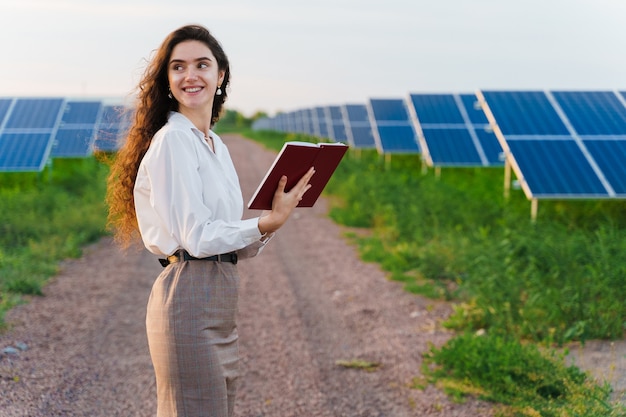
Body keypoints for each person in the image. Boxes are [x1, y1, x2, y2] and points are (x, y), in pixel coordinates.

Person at [106, 24, 315, 417]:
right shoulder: (173, 140)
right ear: (167, 80)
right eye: (178, 67)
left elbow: (224, 235)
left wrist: (273, 220)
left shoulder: (214, 144)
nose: (190, 75)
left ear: (220, 76)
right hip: (186, 298)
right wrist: (264, 224)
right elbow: (197, 237)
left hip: (220, 298)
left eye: (202, 65)